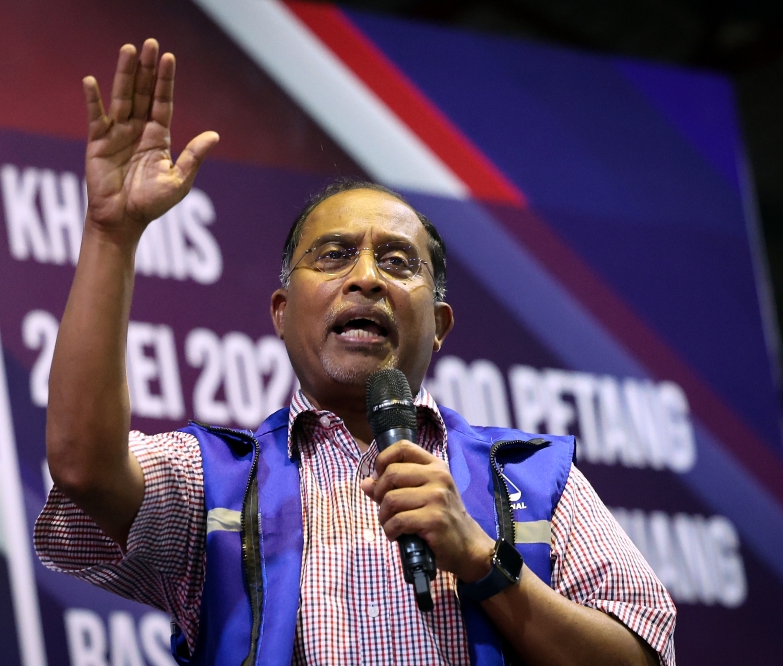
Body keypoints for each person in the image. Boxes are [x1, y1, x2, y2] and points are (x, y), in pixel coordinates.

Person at [35, 39, 676, 665]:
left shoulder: (534, 483)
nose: (367, 277)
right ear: (282, 316)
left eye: (398, 262)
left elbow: (640, 655)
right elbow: (83, 468)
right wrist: (110, 233)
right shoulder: (216, 482)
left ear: (441, 324)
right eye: (335, 255)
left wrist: (480, 559)